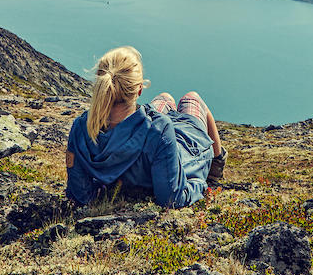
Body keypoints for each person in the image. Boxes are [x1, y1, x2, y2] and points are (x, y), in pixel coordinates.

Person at [65, 46, 226, 208]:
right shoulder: (158, 130)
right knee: (192, 98)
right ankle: (216, 167)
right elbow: (172, 198)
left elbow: (80, 193)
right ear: (139, 89)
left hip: (145, 134)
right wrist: (201, 185)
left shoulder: (81, 127)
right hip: (179, 152)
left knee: (165, 98)